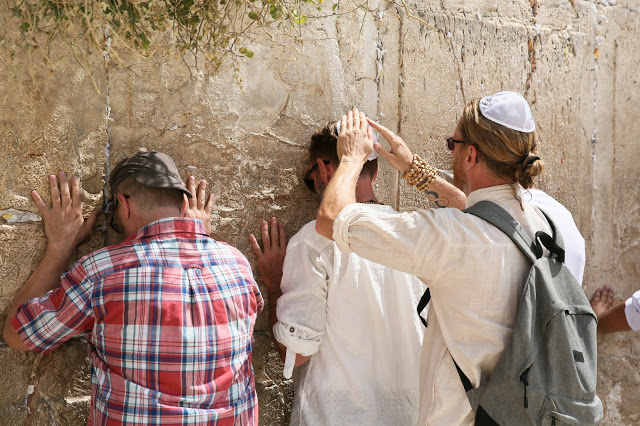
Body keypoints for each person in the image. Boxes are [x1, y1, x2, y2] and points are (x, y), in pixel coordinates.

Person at [315, 92, 559, 424]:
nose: (452, 151)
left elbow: (331, 219)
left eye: (452, 144)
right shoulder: (544, 221)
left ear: (470, 154)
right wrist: (413, 168)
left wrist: (351, 159)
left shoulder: (451, 238)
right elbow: (479, 214)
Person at [3, 152, 263, 425]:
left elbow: (18, 334)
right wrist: (199, 237)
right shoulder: (237, 264)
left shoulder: (103, 272)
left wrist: (60, 246)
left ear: (123, 205)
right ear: (185, 204)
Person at [248, 123, 464, 425]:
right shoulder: (416, 233)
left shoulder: (314, 241)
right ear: (374, 174)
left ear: (324, 170)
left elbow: (295, 354)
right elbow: (471, 214)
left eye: (310, 180)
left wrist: (273, 287)